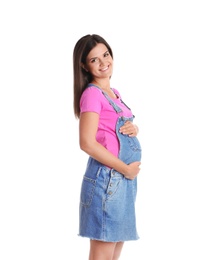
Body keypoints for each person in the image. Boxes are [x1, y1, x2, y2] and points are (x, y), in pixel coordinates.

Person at [73, 34, 142, 260]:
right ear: (84, 65)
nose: (103, 62)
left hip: (123, 182)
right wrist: (125, 168)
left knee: (112, 256)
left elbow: (111, 130)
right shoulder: (92, 94)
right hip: (108, 179)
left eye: (105, 55)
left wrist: (134, 129)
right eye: (94, 60)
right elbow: (87, 143)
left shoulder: (115, 94)